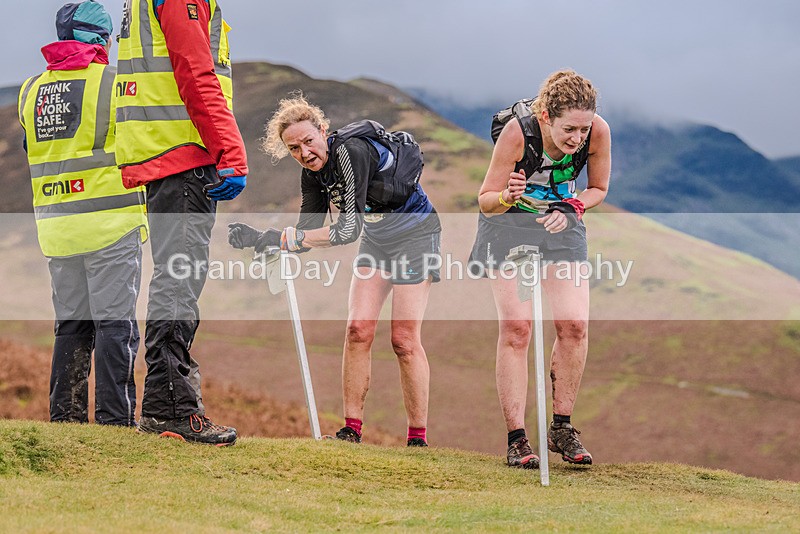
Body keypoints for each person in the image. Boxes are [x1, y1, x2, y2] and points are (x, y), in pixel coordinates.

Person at [228, 95, 441, 446]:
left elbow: (345, 231)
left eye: (308, 141)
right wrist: (261, 239)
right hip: (378, 239)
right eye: (293, 148)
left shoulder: (349, 151)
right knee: (357, 330)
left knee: (403, 340)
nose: (304, 153)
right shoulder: (311, 174)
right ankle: (351, 431)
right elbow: (305, 234)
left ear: (323, 131)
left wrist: (280, 240)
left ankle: (417, 438)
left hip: (416, 234)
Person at [115, 0, 248, 445]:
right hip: (184, 156)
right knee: (179, 282)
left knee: (175, 279)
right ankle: (172, 409)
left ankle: (160, 407)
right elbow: (195, 73)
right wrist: (229, 150)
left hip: (167, 156)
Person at [469, 69, 611, 468]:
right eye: (570, 129)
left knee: (574, 325)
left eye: (584, 130)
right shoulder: (519, 133)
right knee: (517, 328)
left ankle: (562, 427)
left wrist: (574, 206)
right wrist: (506, 195)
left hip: (563, 221)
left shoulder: (598, 131)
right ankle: (517, 439)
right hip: (507, 222)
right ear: (547, 116)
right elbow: (485, 200)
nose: (578, 139)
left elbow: (598, 188)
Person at [17, 0, 148, 426]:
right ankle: (114, 424)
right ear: (100, 39)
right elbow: (140, 143)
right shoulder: (114, 82)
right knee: (116, 326)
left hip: (56, 228)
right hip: (109, 223)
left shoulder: (29, 90)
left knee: (71, 326)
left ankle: (66, 421)